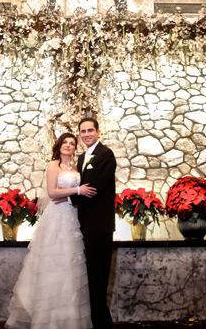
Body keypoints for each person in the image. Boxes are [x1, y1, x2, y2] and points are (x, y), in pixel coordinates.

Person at [6, 132, 96, 329]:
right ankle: (45, 319)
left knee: (69, 264)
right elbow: (53, 193)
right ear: (59, 145)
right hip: (56, 218)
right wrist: (78, 190)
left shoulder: (74, 167)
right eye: (65, 142)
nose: (69, 146)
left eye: (72, 143)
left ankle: (66, 318)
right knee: (52, 262)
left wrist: (73, 196)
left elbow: (65, 195)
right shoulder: (53, 165)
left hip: (72, 217)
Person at [72, 117, 116, 329]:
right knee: (89, 275)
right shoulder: (81, 158)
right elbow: (81, 186)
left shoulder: (106, 154)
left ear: (98, 132)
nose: (87, 134)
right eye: (83, 131)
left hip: (100, 225)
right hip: (83, 225)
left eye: (90, 130)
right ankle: (93, 321)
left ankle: (102, 324)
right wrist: (75, 191)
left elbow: (96, 187)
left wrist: (71, 196)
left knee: (99, 275)